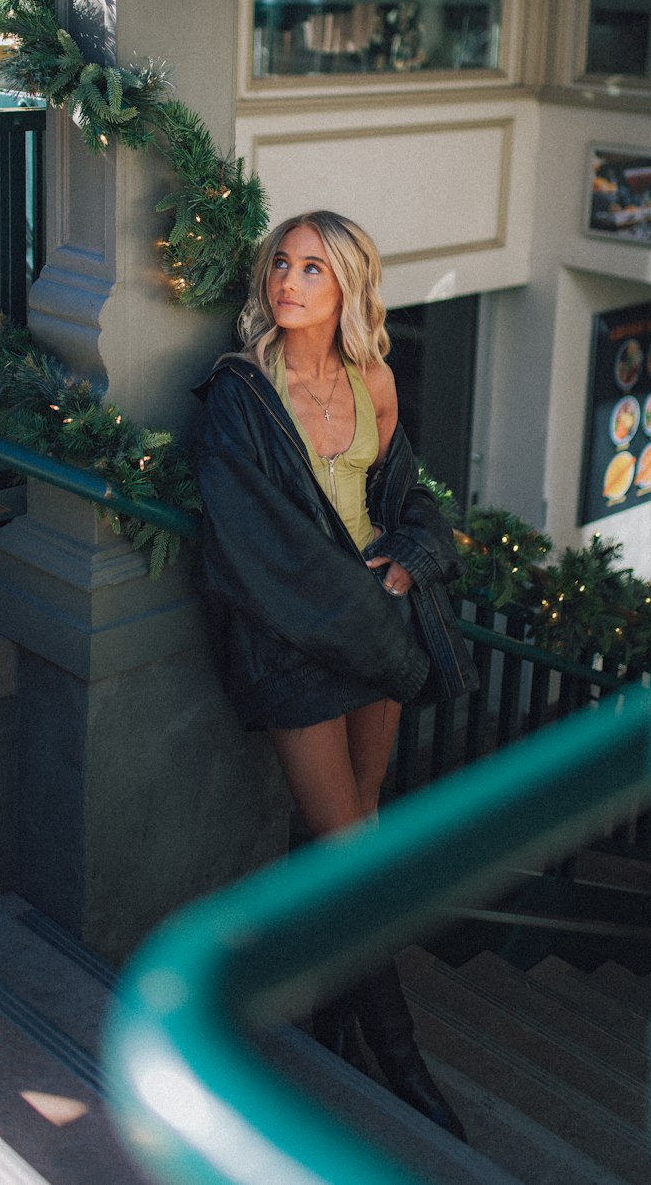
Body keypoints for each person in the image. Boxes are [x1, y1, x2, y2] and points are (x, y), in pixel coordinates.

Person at [193, 210, 478, 1140]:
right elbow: (254, 547)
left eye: (314, 268)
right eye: (281, 262)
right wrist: (370, 616)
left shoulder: (377, 380)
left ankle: (329, 1017)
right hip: (296, 643)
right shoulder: (241, 391)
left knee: (361, 820)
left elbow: (403, 498)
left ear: (349, 285)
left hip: (379, 635)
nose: (289, 279)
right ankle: (401, 1056)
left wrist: (403, 559)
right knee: (349, 841)